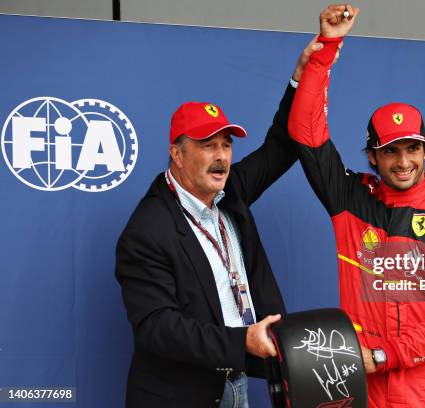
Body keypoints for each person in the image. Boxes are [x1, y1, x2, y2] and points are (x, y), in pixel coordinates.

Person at [115, 38, 338, 408]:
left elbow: (282, 144)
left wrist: (302, 75)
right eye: (207, 145)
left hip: (236, 385)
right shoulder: (147, 230)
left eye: (226, 144)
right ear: (177, 154)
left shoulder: (230, 193)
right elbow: (157, 328)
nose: (221, 157)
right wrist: (242, 342)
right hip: (179, 397)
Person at [287, 5, 425, 407]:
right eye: (390, 151)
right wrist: (327, 46)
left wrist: (383, 357)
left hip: (421, 390)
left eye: (412, 149)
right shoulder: (351, 197)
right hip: (357, 388)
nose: (403, 161)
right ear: (373, 157)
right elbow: (306, 134)